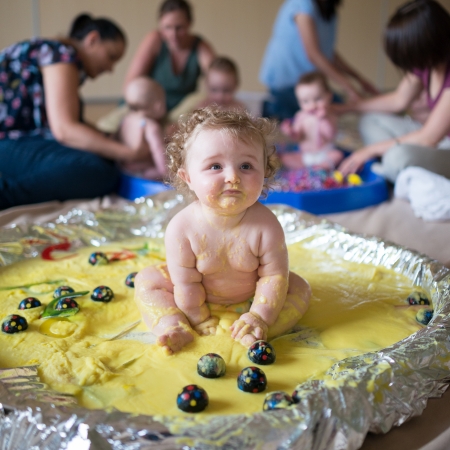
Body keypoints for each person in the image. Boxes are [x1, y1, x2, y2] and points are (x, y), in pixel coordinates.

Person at [134, 107, 311, 354]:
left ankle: (258, 329)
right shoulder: (182, 228)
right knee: (147, 281)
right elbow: (185, 282)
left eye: (246, 166)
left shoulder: (266, 226)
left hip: (252, 296)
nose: (233, 177)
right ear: (188, 178)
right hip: (195, 300)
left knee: (299, 287)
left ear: (265, 172)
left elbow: (273, 277)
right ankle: (174, 326)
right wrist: (198, 319)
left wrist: (260, 314)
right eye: (215, 166)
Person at [0, 14, 150, 210]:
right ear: (92, 39)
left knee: (100, 160)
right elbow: (65, 130)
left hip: (15, 143)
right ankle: (6, 195)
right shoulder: (60, 54)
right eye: (111, 56)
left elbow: (72, 124)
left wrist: (110, 139)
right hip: (6, 143)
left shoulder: (51, 53)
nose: (111, 68)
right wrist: (129, 154)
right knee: (98, 171)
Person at [338, 0, 450, 182]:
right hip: (433, 140)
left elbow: (429, 138)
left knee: (398, 157)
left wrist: (370, 150)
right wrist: (345, 108)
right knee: (370, 120)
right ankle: (400, 171)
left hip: (441, 144)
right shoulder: (428, 63)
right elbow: (398, 100)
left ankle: (398, 169)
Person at [259, 0, 379, 121]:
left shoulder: (330, 13)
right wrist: (350, 88)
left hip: (311, 83)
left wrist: (359, 79)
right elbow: (313, 54)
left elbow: (328, 53)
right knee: (305, 121)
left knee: (334, 109)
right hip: (286, 83)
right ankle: (273, 107)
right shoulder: (302, 4)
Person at [124, 0, 215, 116]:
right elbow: (130, 85)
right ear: (160, 25)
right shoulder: (154, 40)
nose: (173, 34)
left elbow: (218, 81)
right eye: (167, 27)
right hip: (148, 107)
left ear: (190, 23)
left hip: (181, 112)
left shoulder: (200, 47)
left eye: (179, 28)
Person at [279, 71, 343, 169]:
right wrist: (290, 131)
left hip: (325, 154)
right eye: (305, 101)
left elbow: (330, 135)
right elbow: (298, 136)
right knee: (283, 157)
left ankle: (322, 167)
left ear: (329, 96)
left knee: (338, 155)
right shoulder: (300, 116)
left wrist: (323, 120)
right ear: (299, 102)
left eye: (318, 99)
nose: (312, 105)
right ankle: (308, 167)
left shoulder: (329, 115)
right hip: (306, 156)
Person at [116, 77, 167, 179]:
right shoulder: (151, 126)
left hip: (123, 170)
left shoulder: (125, 120)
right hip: (142, 172)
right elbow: (158, 151)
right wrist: (167, 173)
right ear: (159, 106)